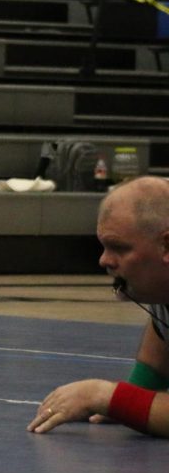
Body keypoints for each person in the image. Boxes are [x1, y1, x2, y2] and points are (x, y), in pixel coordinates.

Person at [28, 176, 169, 438]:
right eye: (103, 246)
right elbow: (161, 332)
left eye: (118, 247)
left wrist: (107, 396)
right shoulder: (163, 292)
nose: (104, 260)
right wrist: (136, 393)